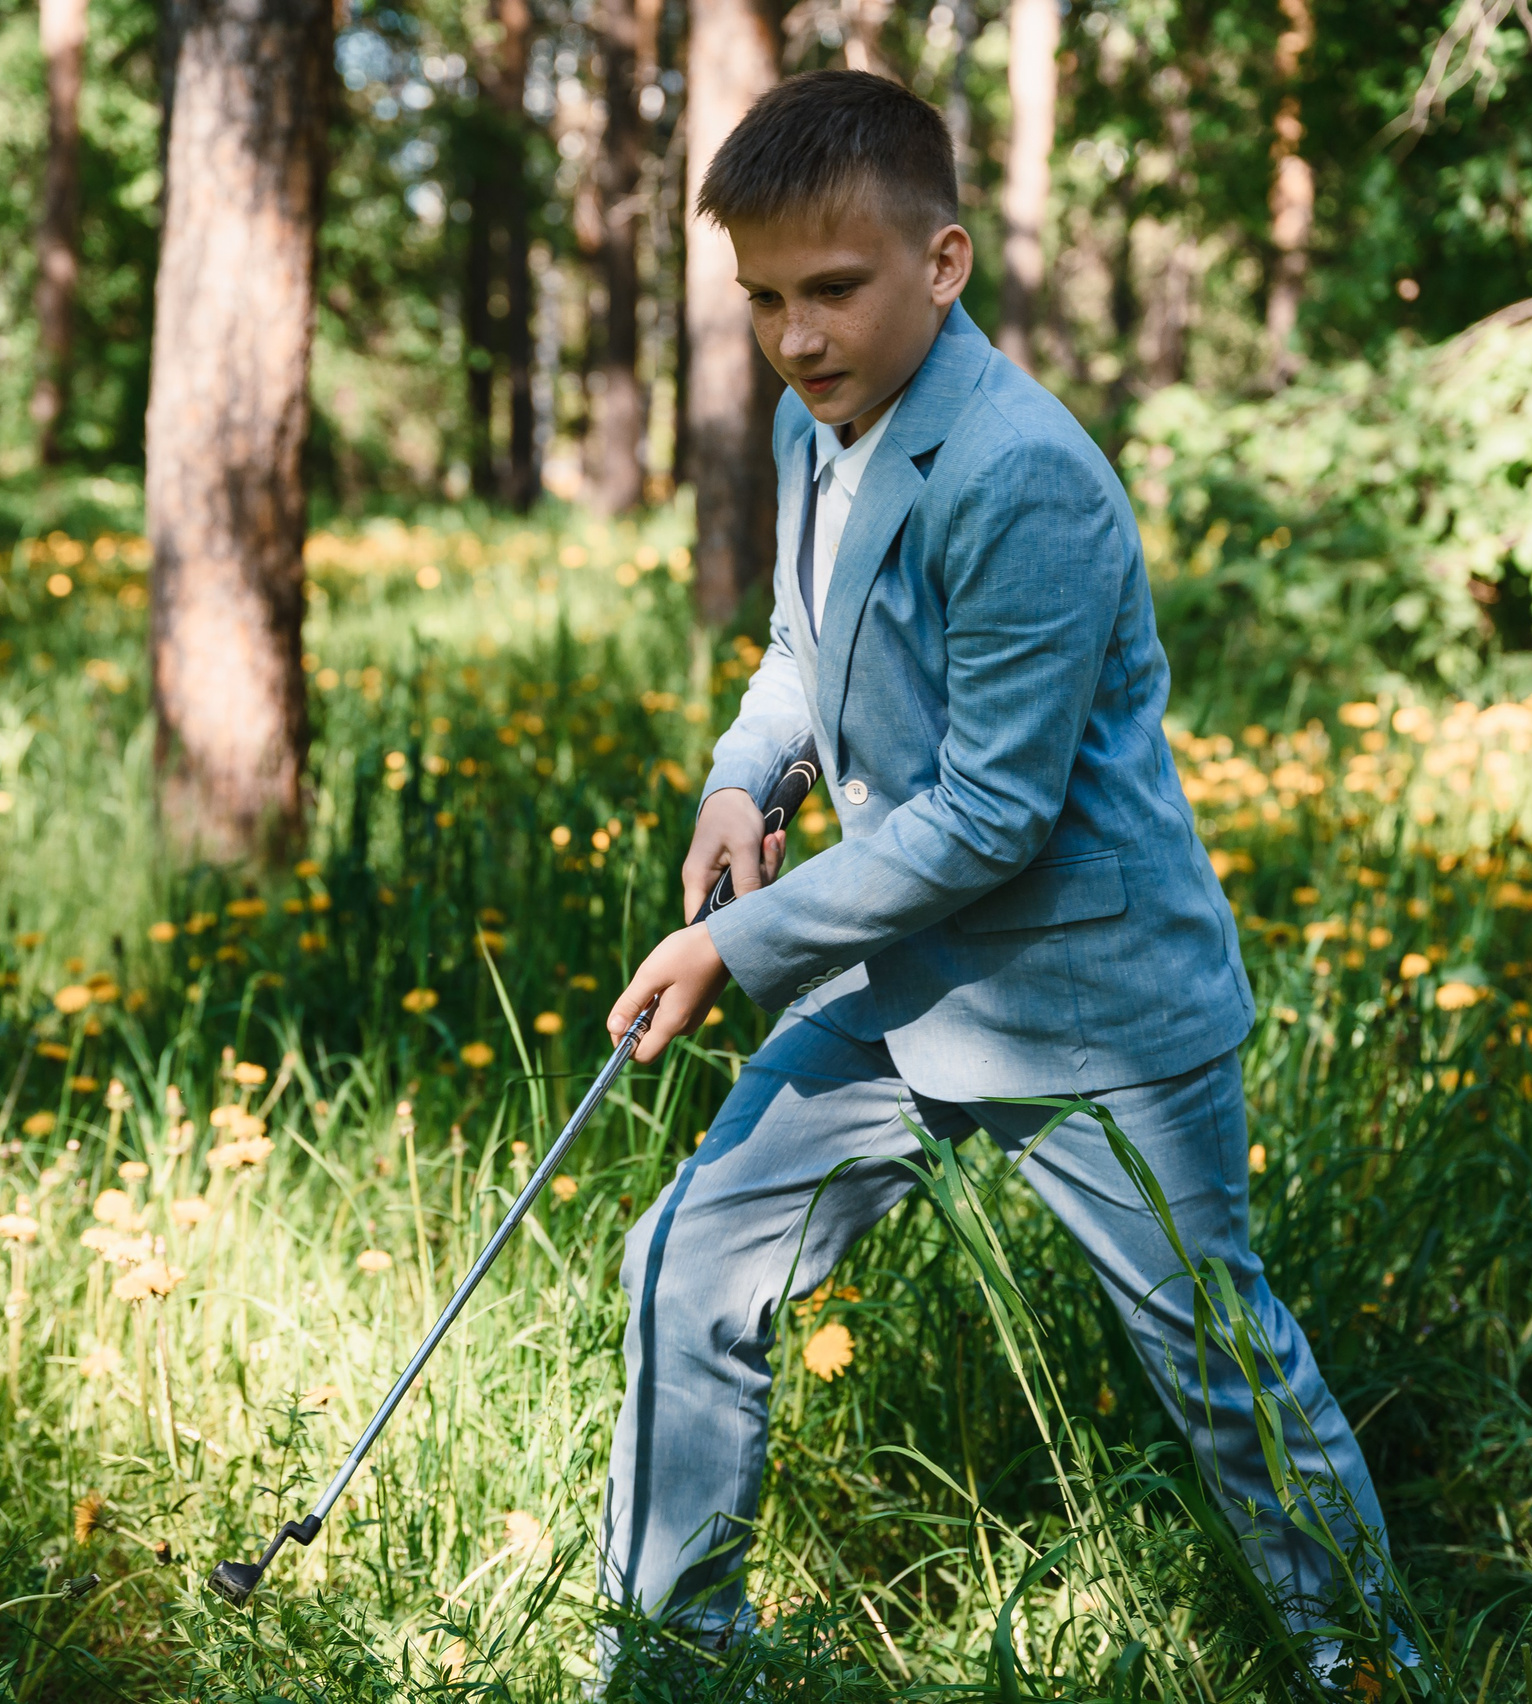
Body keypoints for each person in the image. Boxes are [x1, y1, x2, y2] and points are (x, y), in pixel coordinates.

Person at [599, 68, 1398, 1668]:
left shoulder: (1021, 469)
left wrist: (739, 953)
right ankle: (680, 1651)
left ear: (945, 262)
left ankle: (1365, 1661)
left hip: (1091, 1001)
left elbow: (991, 817)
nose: (797, 337)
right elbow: (800, 646)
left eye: (834, 291)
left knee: (1221, 1364)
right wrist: (747, 776)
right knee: (686, 1254)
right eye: (764, 300)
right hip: (901, 981)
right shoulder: (806, 421)